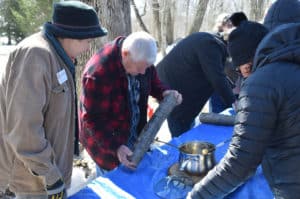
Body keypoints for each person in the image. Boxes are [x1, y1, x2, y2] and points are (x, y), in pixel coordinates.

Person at [187, 11, 300, 199]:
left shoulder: (261, 81)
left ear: (253, 59)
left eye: (246, 69)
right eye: (240, 72)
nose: (246, 77)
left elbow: (239, 164)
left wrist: (196, 196)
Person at [0, 1, 107, 199]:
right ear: (73, 36)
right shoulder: (36, 55)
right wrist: (50, 176)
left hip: (47, 178)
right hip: (28, 184)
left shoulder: (58, 56)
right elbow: (24, 130)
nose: (89, 47)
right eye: (88, 41)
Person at [78, 31, 182, 176]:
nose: (143, 72)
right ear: (125, 54)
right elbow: (92, 120)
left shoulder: (141, 57)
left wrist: (164, 92)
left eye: (146, 67)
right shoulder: (98, 73)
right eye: (139, 68)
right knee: (114, 182)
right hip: (105, 142)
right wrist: (116, 147)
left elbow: (153, 82)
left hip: (132, 132)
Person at [156, 32, 235, 137]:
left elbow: (221, 77)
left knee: (185, 121)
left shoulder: (211, 42)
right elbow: (217, 78)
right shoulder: (210, 45)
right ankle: (182, 148)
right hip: (172, 87)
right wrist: (233, 102)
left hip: (177, 84)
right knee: (180, 125)